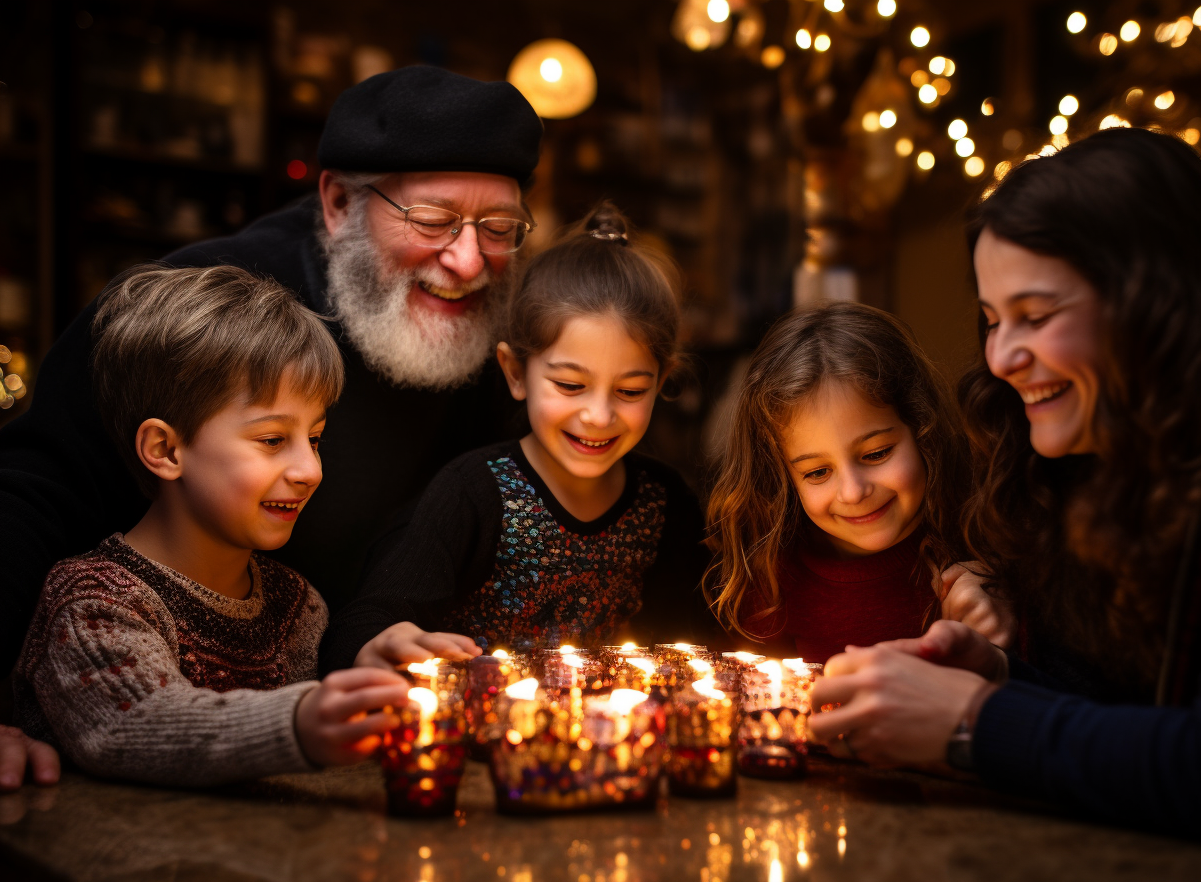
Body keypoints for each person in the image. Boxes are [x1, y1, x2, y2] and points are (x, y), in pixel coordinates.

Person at [0, 65, 541, 787]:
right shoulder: (202, 311)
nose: (469, 260)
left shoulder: (495, 341)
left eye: (499, 228)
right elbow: (30, 495)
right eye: (433, 220)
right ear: (341, 202)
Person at [809, 127, 1201, 840]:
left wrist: (969, 722)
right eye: (993, 321)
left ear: (1157, 300)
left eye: (1035, 316)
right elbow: (1148, 723)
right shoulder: (1108, 460)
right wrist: (997, 676)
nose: (1000, 357)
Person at [12, 266, 415, 786]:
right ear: (166, 449)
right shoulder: (93, 602)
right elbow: (133, 726)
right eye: (272, 440)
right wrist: (296, 724)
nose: (310, 470)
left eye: (313, 439)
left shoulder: (297, 607)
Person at [323, 204, 724, 672]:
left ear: (662, 382)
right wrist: (383, 641)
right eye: (570, 385)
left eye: (630, 390)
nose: (598, 415)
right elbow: (367, 621)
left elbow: (694, 646)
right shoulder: (472, 493)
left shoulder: (667, 505)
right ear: (516, 373)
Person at [703, 303, 1013, 665]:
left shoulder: (990, 541)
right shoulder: (770, 586)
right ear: (782, 478)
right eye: (817, 472)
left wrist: (1001, 621)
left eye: (877, 453)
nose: (853, 491)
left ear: (923, 431)